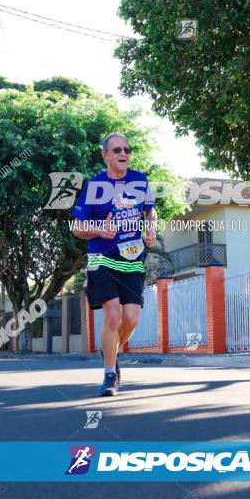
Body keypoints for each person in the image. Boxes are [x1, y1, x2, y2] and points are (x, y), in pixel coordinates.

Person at [71, 133, 156, 396]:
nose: (124, 154)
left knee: (131, 319)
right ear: (105, 154)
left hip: (132, 258)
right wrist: (98, 229)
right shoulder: (95, 186)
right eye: (117, 149)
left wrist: (151, 229)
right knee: (112, 315)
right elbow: (77, 226)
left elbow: (150, 211)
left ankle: (110, 351)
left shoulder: (140, 181)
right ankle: (110, 375)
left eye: (127, 150)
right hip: (102, 257)